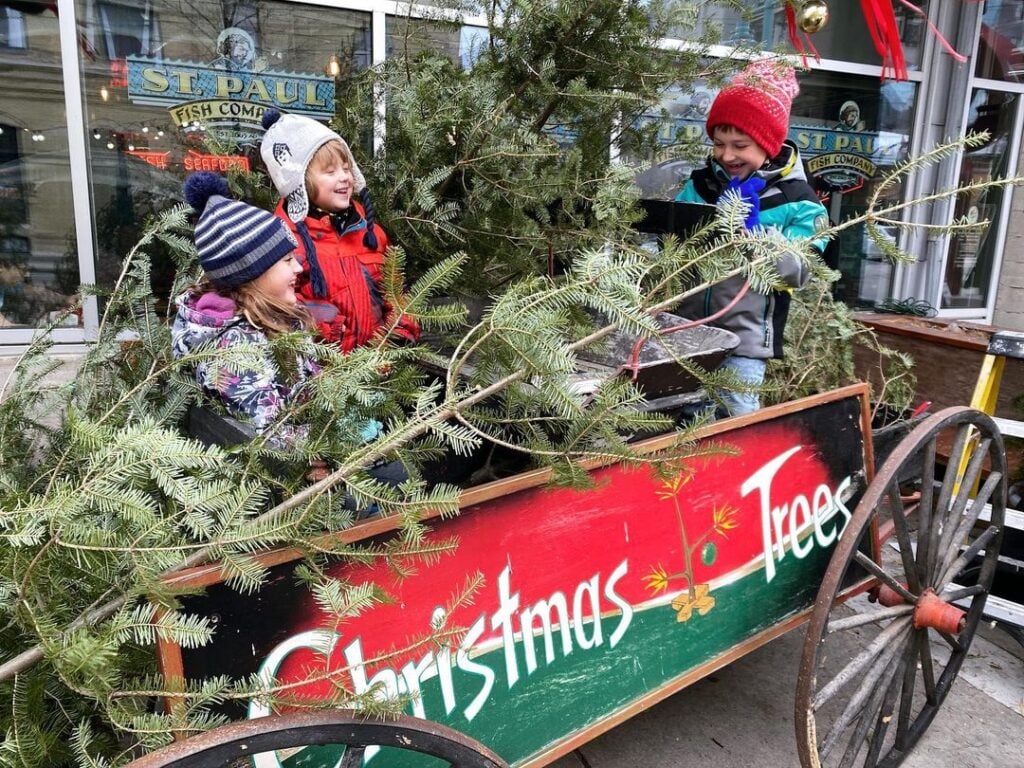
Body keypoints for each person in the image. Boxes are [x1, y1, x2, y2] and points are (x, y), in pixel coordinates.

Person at [172, 171, 406, 509]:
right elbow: (271, 433)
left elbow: (307, 388)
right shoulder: (233, 349)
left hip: (324, 446)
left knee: (400, 471)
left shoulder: (271, 317)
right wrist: (339, 445)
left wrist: (352, 411)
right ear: (250, 274)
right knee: (394, 492)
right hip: (299, 486)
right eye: (285, 261)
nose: (298, 267)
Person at [675, 59, 829, 417]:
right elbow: (674, 246)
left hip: (743, 347)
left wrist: (755, 237)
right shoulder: (699, 185)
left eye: (740, 145)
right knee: (679, 432)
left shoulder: (800, 203)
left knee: (737, 428)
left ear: (768, 144)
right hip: (685, 338)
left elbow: (798, 271)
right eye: (718, 143)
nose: (727, 155)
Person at [259, 110, 420, 353]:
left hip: (380, 366)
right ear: (300, 182)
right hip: (324, 376)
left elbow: (396, 293)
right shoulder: (285, 243)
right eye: (330, 171)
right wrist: (324, 331)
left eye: (346, 168)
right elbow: (277, 310)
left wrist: (399, 333)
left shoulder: (371, 234)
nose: (345, 177)